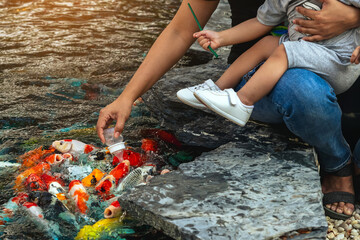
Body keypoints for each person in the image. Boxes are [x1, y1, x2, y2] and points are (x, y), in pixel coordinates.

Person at [96, 0, 360, 220]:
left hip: (345, 66)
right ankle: (337, 164)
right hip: (269, 75)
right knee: (301, 88)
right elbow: (180, 31)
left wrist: (352, 16)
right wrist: (128, 96)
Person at [177, 0, 360, 127]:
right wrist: (221, 37)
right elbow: (260, 22)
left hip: (340, 61)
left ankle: (242, 102)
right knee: (267, 44)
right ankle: (216, 89)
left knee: (285, 50)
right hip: (307, 49)